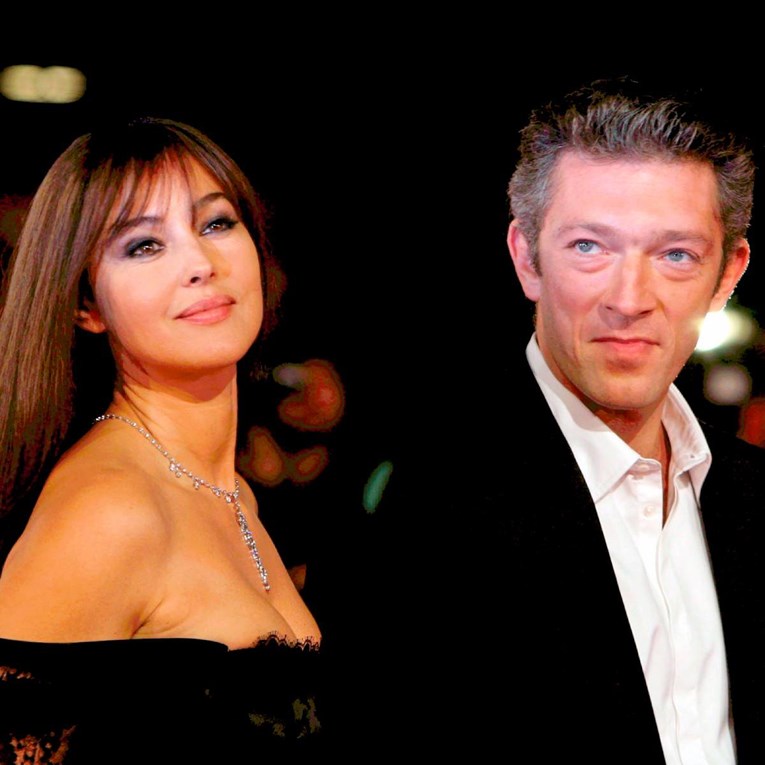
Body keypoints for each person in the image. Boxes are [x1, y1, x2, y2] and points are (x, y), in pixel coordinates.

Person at [423, 78, 765, 763]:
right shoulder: (431, 513)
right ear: (526, 258)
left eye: (675, 255)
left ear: (727, 274)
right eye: (589, 247)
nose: (629, 299)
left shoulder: (754, 495)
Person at [0, 117, 323, 763]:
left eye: (216, 223)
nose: (201, 264)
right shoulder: (109, 510)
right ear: (86, 305)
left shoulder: (228, 493)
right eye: (145, 245)